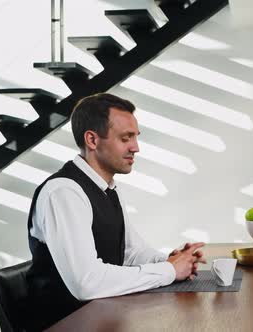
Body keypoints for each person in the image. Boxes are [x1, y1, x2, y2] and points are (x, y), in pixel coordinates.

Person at [25, 93, 205, 331]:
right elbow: (86, 283)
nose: (136, 147)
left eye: (135, 137)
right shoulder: (64, 192)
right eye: (125, 138)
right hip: (66, 325)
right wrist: (169, 270)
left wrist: (171, 260)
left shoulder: (107, 189)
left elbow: (129, 252)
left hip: (104, 319)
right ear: (92, 140)